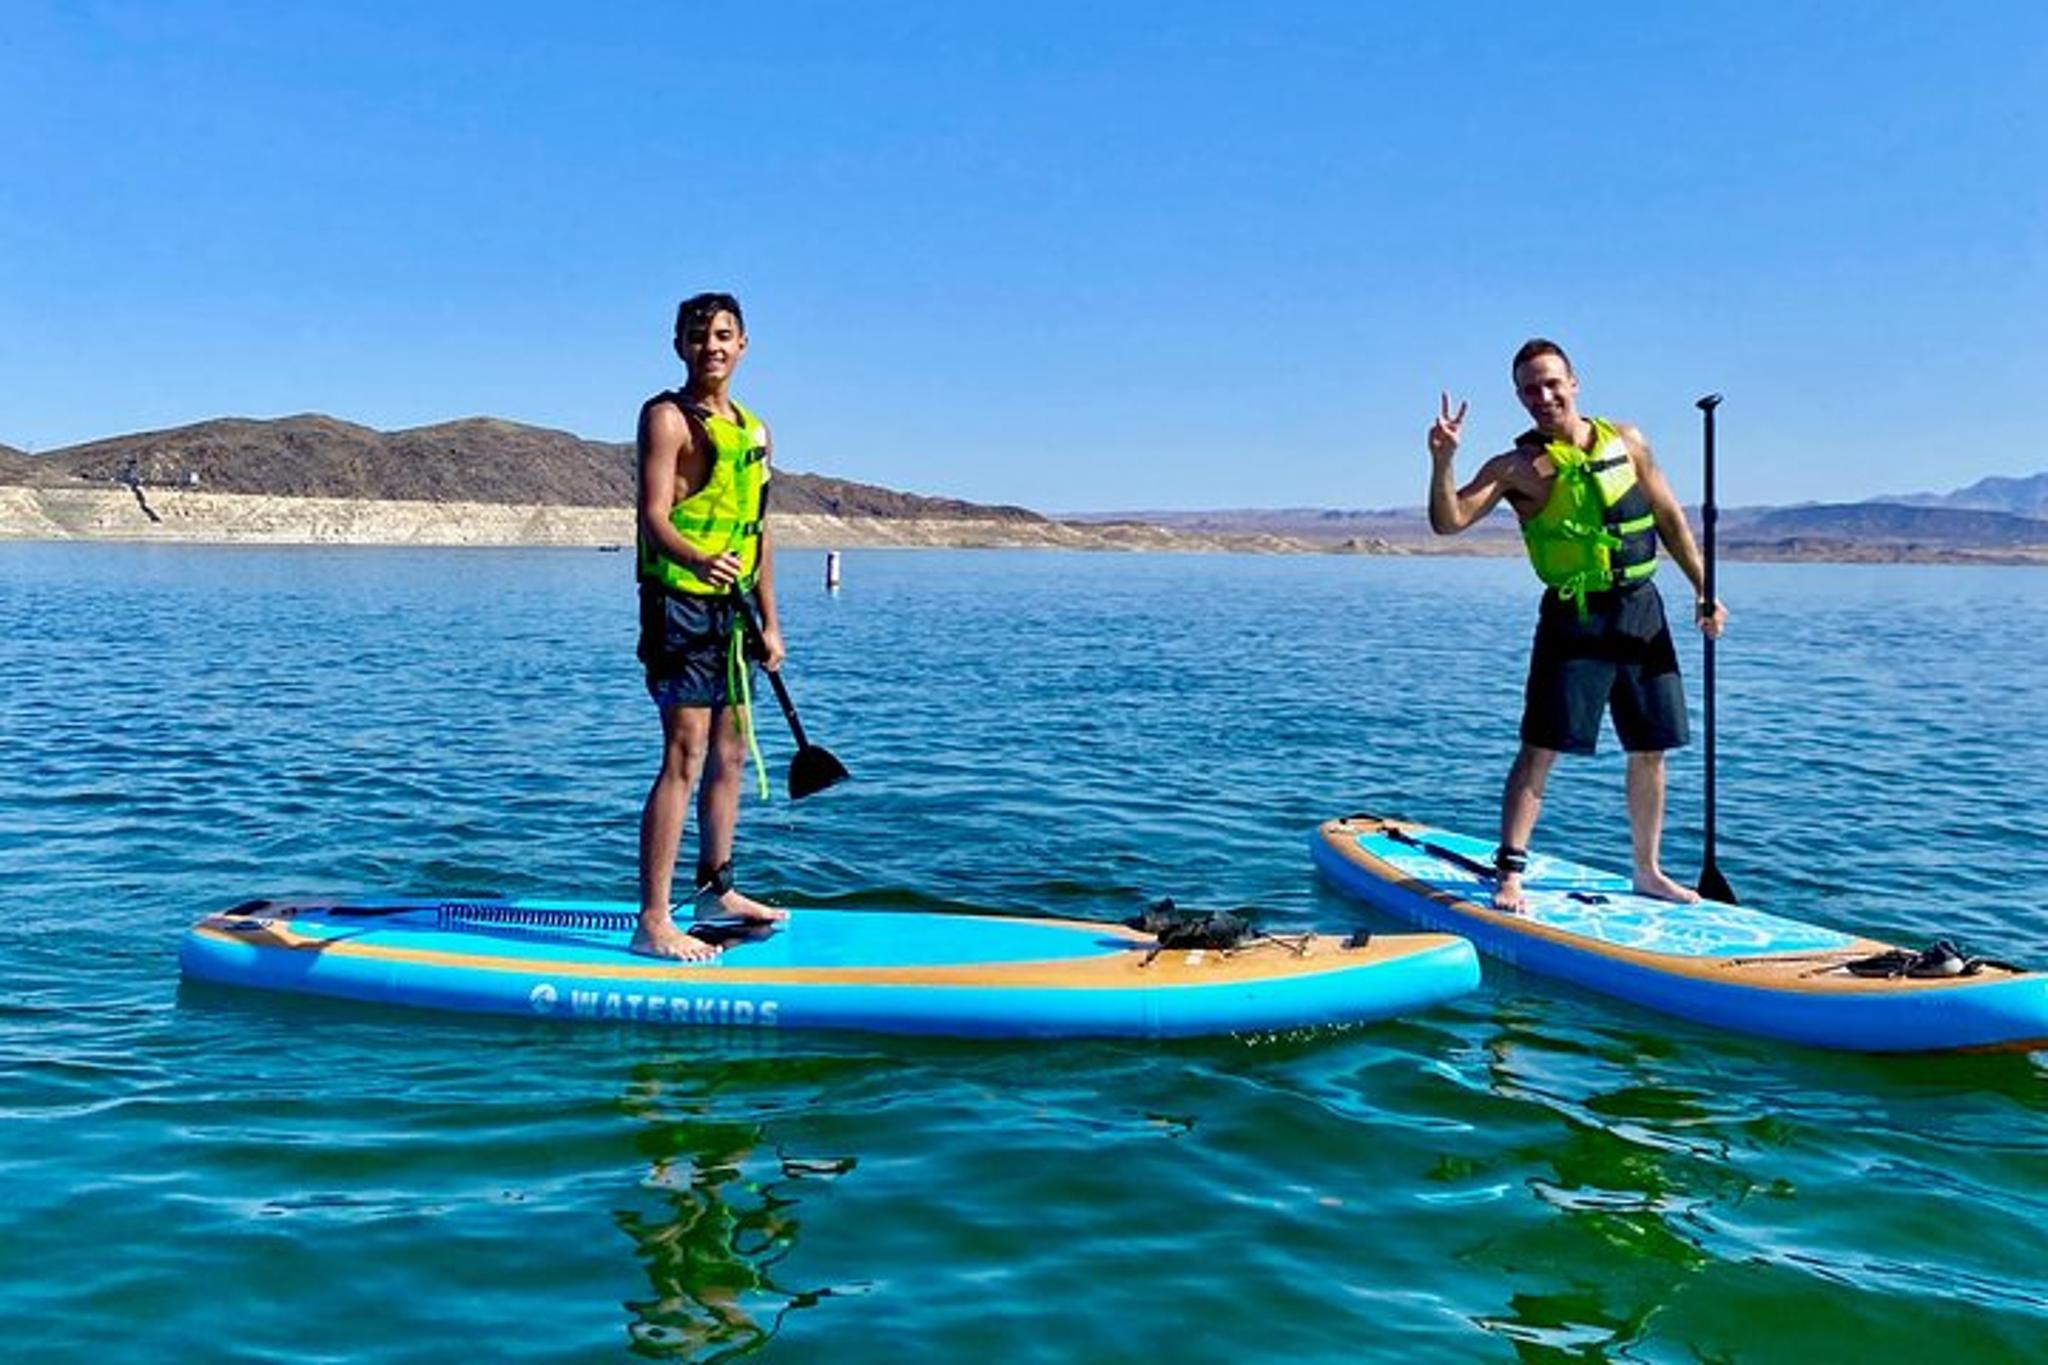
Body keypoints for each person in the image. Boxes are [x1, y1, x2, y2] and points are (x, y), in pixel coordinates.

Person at [1426, 339, 1727, 912]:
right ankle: (1510, 874)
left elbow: (1667, 516)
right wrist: (1443, 460)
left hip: (1641, 610)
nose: (1542, 396)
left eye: (1550, 383)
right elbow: (1450, 521)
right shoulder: (1514, 468)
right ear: (1519, 397)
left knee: (1651, 747)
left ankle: (1648, 870)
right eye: (1529, 389)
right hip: (1574, 617)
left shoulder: (1628, 440)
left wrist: (1706, 591)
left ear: (1574, 383)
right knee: (1540, 747)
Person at [633, 292, 789, 959]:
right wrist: (701, 559)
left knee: (730, 753)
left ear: (744, 343)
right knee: (686, 755)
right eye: (699, 337)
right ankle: (653, 920)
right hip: (681, 605)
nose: (712, 347)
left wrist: (772, 624)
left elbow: (759, 534)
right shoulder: (666, 418)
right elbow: (653, 515)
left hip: (735, 614)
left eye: (724, 335)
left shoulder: (755, 430)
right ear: (679, 346)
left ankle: (717, 889)